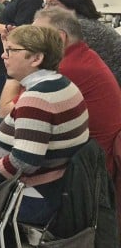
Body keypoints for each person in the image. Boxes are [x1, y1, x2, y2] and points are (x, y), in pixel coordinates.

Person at [0, 25, 89, 227]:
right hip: (55, 188)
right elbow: (33, 128)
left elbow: (24, 162)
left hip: (32, 197)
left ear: (36, 58)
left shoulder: (37, 99)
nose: (3, 56)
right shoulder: (61, 84)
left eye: (11, 50)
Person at [25, 9, 120, 160]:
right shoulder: (85, 56)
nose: (29, 41)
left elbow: (9, 111)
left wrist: (16, 69)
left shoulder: (66, 69)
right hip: (94, 154)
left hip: (88, 165)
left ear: (60, 37)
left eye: (36, 35)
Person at [44, 0, 121, 87]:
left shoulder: (80, 27)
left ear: (72, 5)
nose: (46, 9)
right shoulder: (87, 22)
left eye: (53, 4)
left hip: (110, 83)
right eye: (45, 4)